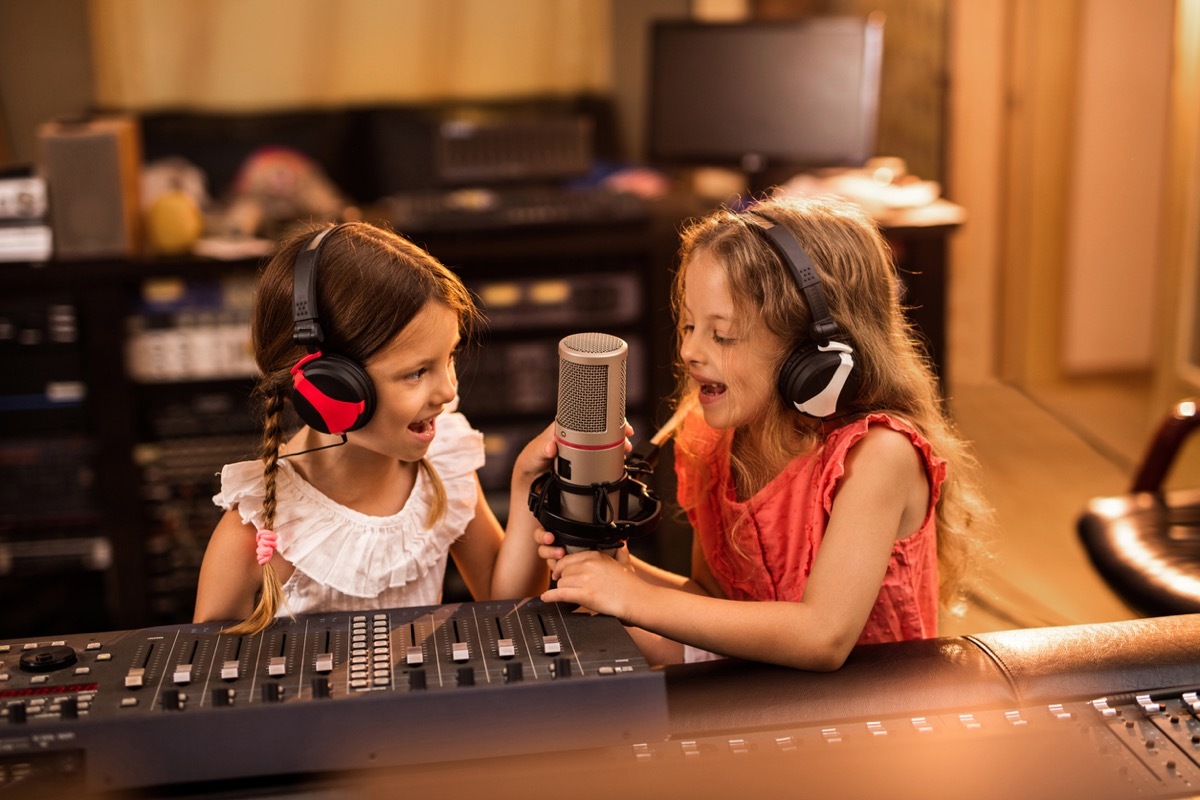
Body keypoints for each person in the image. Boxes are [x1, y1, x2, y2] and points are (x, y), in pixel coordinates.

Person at [538, 195, 991, 671]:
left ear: (814, 353)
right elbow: (710, 602)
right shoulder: (718, 440)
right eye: (689, 325)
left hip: (872, 714)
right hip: (765, 695)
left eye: (723, 334)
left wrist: (633, 598)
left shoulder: (879, 455)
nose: (690, 350)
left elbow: (823, 637)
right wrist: (614, 571)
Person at [195, 221, 552, 635]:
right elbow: (208, 674)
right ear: (328, 386)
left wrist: (529, 480)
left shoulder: (442, 465)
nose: (448, 390)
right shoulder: (258, 530)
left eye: (449, 357)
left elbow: (504, 602)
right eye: (417, 373)